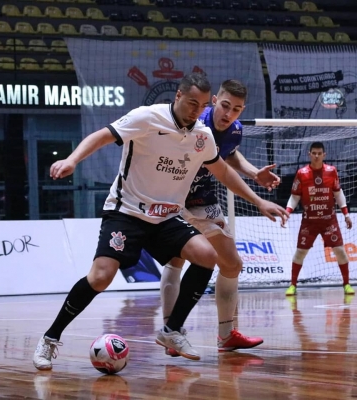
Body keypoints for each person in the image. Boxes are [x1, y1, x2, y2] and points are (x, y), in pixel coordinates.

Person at [33, 73, 288, 370]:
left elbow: (224, 172)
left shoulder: (202, 136)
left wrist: (259, 200)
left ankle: (171, 331)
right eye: (192, 102)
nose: (196, 110)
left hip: (166, 216)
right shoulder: (146, 118)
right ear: (177, 97)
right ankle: (50, 338)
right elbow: (101, 136)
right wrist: (72, 160)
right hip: (126, 212)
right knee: (101, 277)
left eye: (202, 104)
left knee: (207, 255)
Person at [160, 79, 281, 356]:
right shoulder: (197, 127)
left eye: (236, 109)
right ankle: (170, 332)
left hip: (203, 197)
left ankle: (226, 335)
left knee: (232, 263)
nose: (228, 114)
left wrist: (253, 172)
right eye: (225, 106)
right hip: (174, 198)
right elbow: (221, 168)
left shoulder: (234, 130)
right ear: (215, 100)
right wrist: (258, 199)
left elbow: (230, 154)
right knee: (176, 260)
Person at [284, 141, 354, 296]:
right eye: (313, 153)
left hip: (329, 220)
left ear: (324, 155)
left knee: (340, 252)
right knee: (300, 253)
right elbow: (295, 196)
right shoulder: (302, 173)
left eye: (319, 153)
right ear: (309, 154)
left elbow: (338, 193)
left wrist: (346, 214)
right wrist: (287, 212)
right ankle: (293, 285)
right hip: (309, 221)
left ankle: (347, 284)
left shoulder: (332, 171)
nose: (316, 156)